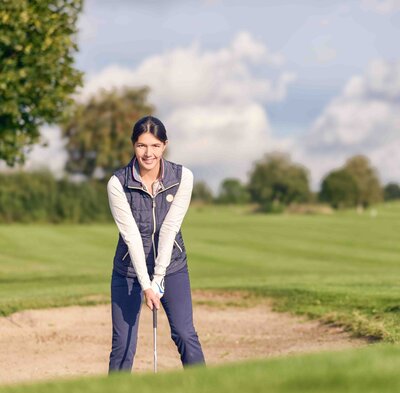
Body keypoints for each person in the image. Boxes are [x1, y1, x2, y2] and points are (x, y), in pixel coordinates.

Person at [107, 115, 206, 372]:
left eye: (154, 145)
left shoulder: (183, 177)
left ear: (164, 146)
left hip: (171, 265)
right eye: (141, 145)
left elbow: (170, 228)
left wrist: (159, 277)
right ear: (133, 146)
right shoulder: (118, 183)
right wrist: (146, 284)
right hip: (129, 271)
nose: (148, 152)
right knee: (123, 345)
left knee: (185, 334)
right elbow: (131, 236)